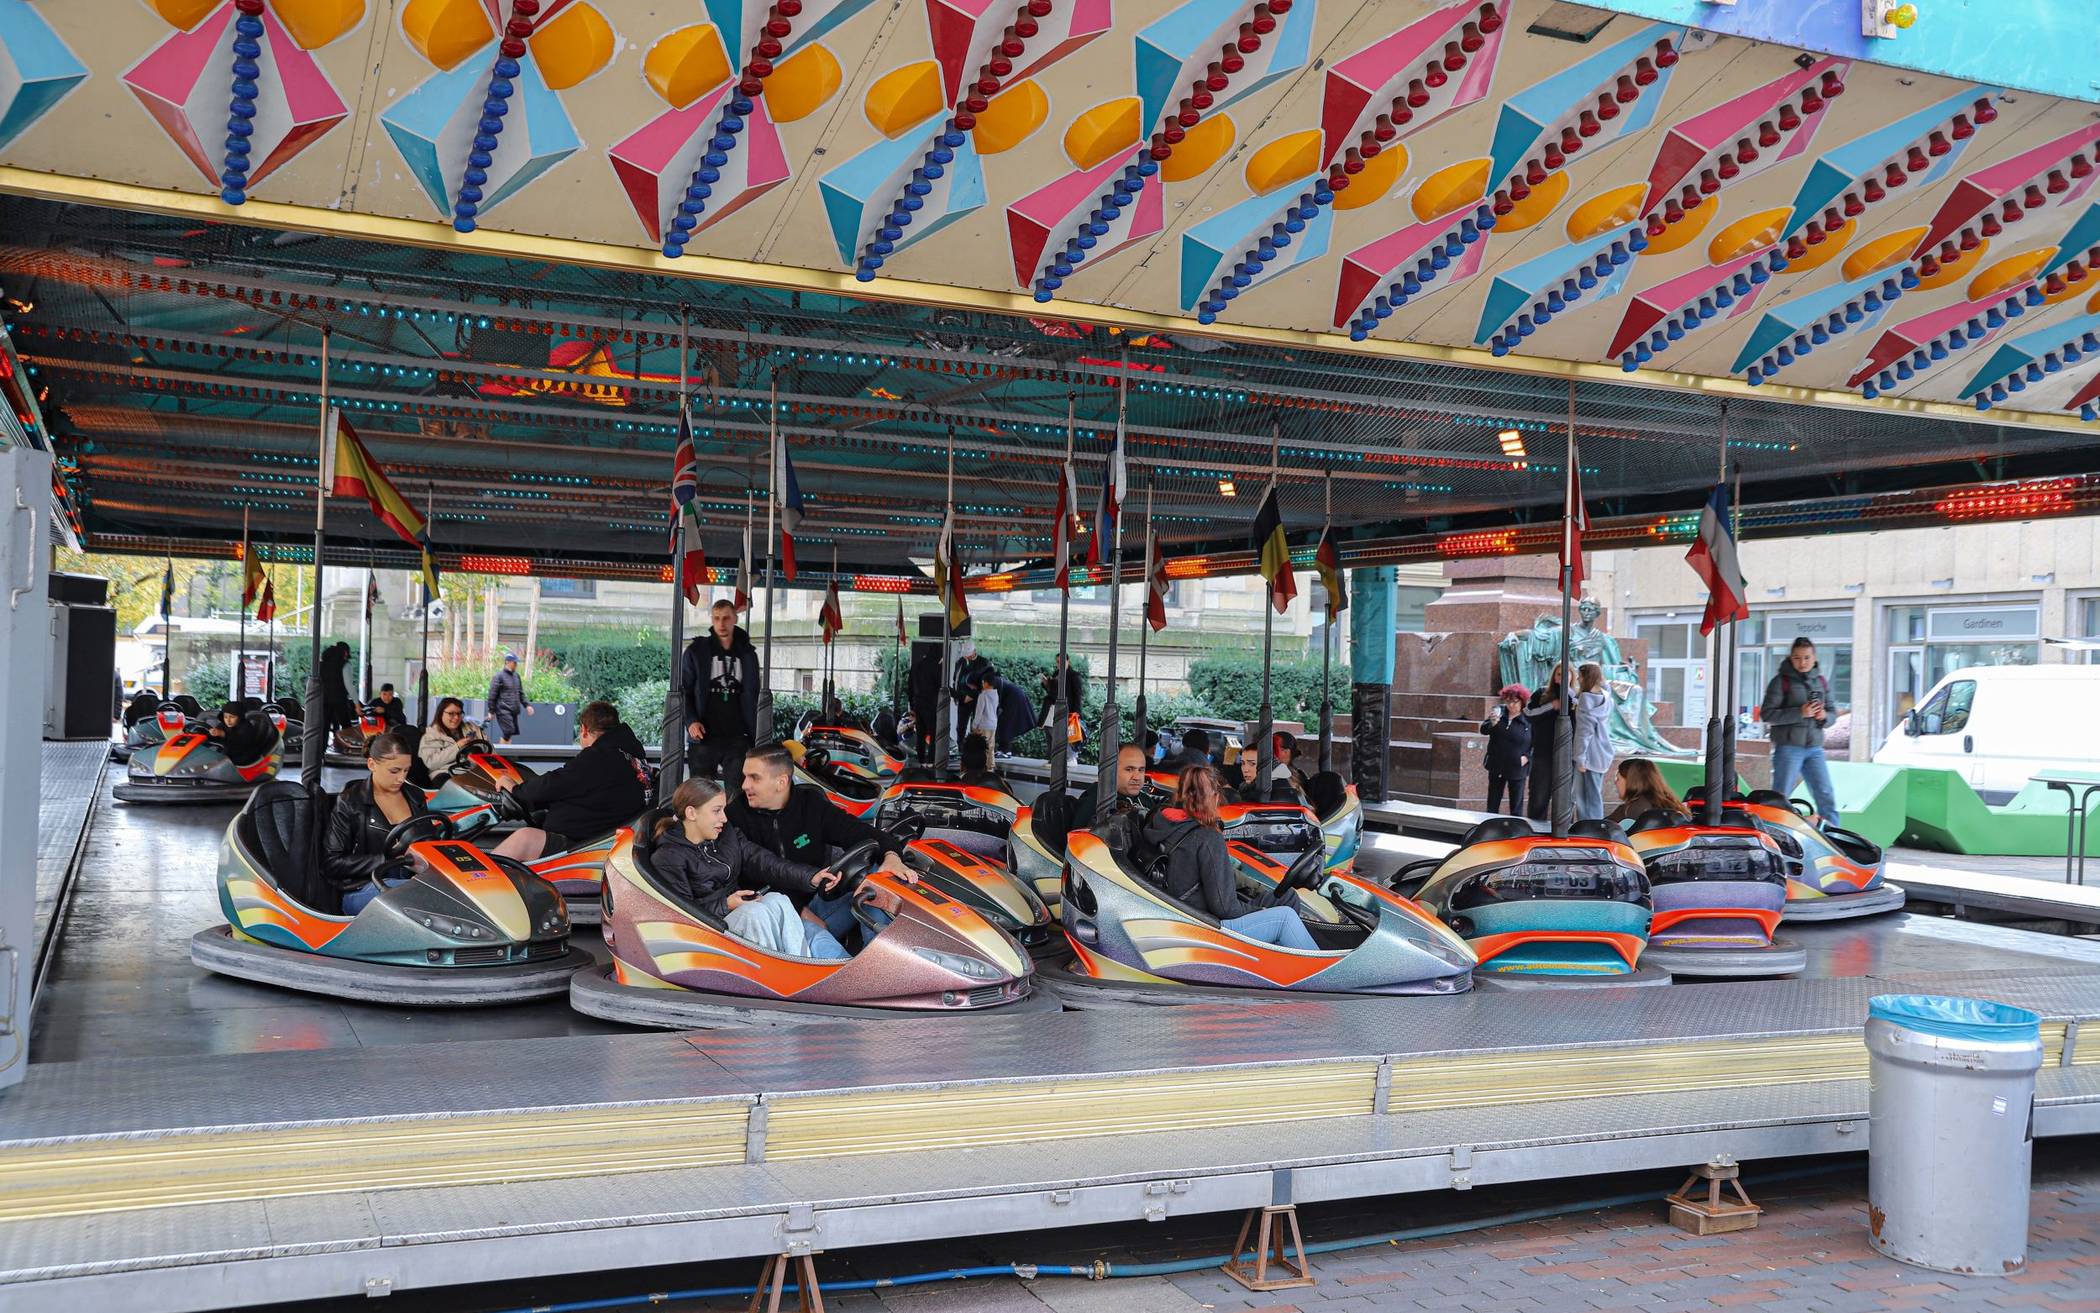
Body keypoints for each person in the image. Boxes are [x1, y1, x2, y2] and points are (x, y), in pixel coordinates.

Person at [328, 730, 541, 914]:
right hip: (364, 887)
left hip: (412, 882)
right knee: (425, 896)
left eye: (406, 771)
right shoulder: (350, 802)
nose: (401, 778)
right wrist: (389, 858)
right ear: (372, 764)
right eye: (394, 771)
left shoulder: (413, 795)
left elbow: (428, 841)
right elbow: (332, 863)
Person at [731, 744, 917, 945]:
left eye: (754, 778)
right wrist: (798, 911)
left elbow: (860, 832)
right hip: (775, 915)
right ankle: (863, 973)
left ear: (781, 781)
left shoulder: (811, 805)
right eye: (745, 776)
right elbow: (745, 879)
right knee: (819, 942)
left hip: (818, 901)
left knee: (876, 881)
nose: (744, 785)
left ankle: (881, 957)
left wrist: (892, 857)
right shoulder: (734, 816)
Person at [650, 778, 849, 959]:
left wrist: (810, 876)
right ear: (692, 813)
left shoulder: (725, 836)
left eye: (723, 810)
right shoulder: (668, 857)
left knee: (778, 900)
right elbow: (681, 914)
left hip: (733, 915)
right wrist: (726, 905)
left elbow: (764, 861)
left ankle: (801, 963)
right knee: (755, 914)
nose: (724, 819)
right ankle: (773, 975)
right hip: (709, 929)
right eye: (716, 811)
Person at [1144, 765, 1317, 950]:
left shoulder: (1165, 823)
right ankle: (1318, 973)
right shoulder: (1207, 836)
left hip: (1187, 913)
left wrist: (1257, 896)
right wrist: (1262, 912)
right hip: (1206, 926)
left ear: (1180, 793)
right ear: (1215, 797)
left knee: (1287, 897)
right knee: (1285, 917)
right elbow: (1225, 908)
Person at [497, 701, 647, 856]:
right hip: (605, 840)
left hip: (585, 848)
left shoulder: (598, 758)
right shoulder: (630, 756)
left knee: (524, 839)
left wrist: (516, 789)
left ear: (584, 730)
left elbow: (554, 784)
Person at [1761, 637, 1841, 826]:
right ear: (1791, 658)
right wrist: (1800, 712)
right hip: (1789, 748)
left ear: (1814, 658)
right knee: (1780, 797)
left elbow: (1832, 713)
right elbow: (1767, 714)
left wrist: (1823, 716)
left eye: (1806, 657)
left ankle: (1835, 839)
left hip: (1814, 748)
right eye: (1797, 658)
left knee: (1825, 794)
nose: (1802, 662)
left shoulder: (1821, 681)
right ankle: (1776, 835)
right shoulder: (1781, 682)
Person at [682, 599, 760, 793]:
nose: (721, 624)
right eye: (716, 618)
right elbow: (684, 690)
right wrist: (691, 720)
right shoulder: (697, 651)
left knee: (738, 791)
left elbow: (754, 693)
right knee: (700, 793)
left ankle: (734, 824)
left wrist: (753, 735)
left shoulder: (747, 654)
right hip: (704, 735)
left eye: (726, 618)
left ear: (734, 619)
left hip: (737, 736)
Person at [1524, 663, 1569, 823]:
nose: (1562, 678)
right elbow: (1528, 713)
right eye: (1558, 674)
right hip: (1543, 753)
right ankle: (1535, 828)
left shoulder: (1575, 697)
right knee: (1539, 796)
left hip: (1566, 756)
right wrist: (1551, 706)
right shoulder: (1542, 693)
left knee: (1565, 800)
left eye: (1566, 674)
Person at [1480, 684, 1532, 817]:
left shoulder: (1528, 719)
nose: (1511, 705)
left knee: (1516, 802)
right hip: (1497, 763)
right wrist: (1492, 723)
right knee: (1493, 800)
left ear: (1522, 702)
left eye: (1515, 702)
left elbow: (1536, 742)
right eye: (1508, 701)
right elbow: (1484, 730)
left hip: (1517, 765)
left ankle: (1515, 829)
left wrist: (1526, 757)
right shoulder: (1499, 713)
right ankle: (1490, 823)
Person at [1573, 663, 1614, 822]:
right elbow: (1606, 685)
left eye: (1580, 675)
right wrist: (1600, 678)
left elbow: (1584, 733)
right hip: (1602, 752)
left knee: (1583, 797)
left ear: (1586, 677)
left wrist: (1580, 758)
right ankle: (1596, 826)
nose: (1578, 678)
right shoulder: (1605, 696)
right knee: (1595, 794)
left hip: (1589, 755)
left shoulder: (1585, 699)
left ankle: (1588, 829)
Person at [1074, 743, 1147, 823]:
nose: (1137, 777)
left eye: (1141, 770)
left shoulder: (1146, 801)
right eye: (1129, 769)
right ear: (1111, 770)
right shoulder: (1094, 803)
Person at [1607, 759, 1687, 827]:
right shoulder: (1671, 803)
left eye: (1618, 778)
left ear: (1629, 781)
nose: (1615, 783)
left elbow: (1601, 831)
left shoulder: (1628, 810)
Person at [418, 696, 480, 778]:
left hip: (471, 771)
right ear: (440, 714)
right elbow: (431, 763)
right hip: (445, 773)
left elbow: (487, 748)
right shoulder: (431, 735)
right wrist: (457, 747)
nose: (456, 717)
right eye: (451, 714)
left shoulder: (472, 729)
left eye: (459, 713)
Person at [485, 651, 532, 743]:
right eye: (514, 662)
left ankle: (505, 752)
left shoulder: (516, 676)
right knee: (509, 730)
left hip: (513, 710)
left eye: (516, 663)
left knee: (510, 732)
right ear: (507, 662)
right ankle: (501, 751)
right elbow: (492, 694)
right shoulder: (498, 676)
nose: (516, 664)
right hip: (503, 710)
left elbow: (521, 693)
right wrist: (491, 711)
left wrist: (527, 705)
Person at [206, 701, 272, 764]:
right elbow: (215, 738)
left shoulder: (246, 727)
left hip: (244, 756)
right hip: (226, 753)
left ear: (240, 717)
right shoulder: (223, 725)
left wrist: (223, 734)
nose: (228, 720)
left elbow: (240, 742)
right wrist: (211, 734)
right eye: (225, 717)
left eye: (232, 717)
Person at [318, 641, 355, 733]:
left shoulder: (321, 665)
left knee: (324, 727)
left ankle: (322, 747)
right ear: (345, 652)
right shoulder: (345, 665)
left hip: (324, 700)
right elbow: (349, 685)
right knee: (347, 727)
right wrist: (357, 704)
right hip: (340, 700)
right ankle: (347, 745)